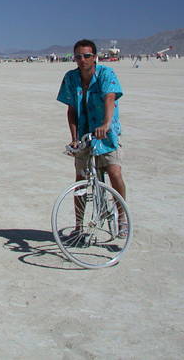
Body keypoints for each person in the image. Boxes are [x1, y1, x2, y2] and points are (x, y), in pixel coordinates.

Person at [56, 39, 128, 237]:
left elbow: (110, 98)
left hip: (106, 132)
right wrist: (74, 138)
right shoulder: (71, 78)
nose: (82, 60)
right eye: (78, 56)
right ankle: (79, 227)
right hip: (84, 135)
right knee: (80, 180)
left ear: (95, 57)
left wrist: (105, 125)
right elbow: (71, 109)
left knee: (114, 173)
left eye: (87, 56)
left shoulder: (105, 74)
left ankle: (122, 217)